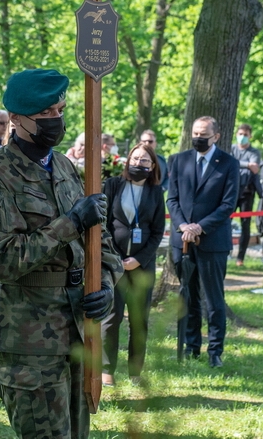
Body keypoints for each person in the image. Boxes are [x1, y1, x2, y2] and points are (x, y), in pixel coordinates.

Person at [0, 68, 122, 438]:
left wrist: (106, 285)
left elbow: (105, 245)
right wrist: (69, 223)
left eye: (61, 110)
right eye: (46, 115)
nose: (57, 120)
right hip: (29, 337)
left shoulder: (65, 167)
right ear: (17, 120)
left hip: (78, 329)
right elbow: (3, 260)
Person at [167, 116, 238, 367]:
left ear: (216, 136)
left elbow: (228, 204)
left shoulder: (228, 164)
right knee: (188, 296)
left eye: (203, 135)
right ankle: (191, 345)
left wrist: (200, 227)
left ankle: (215, 350)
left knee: (213, 298)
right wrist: (184, 226)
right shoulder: (179, 160)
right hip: (182, 240)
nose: (198, 138)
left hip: (213, 242)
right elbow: (172, 199)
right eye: (195, 133)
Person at [101, 142, 165, 386]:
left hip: (142, 267)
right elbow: (104, 223)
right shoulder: (114, 185)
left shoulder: (156, 192)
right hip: (113, 265)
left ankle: (135, 371)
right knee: (111, 317)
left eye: (145, 161)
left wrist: (139, 260)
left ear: (152, 166)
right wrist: (115, 258)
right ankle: (107, 369)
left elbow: (158, 231)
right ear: (128, 161)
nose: (139, 163)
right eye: (136, 159)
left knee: (139, 320)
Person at [232, 124, 263, 265]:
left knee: (245, 225)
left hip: (247, 193)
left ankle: (240, 258)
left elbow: (255, 167)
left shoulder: (254, 152)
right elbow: (230, 163)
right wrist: (247, 165)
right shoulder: (231, 148)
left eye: (245, 134)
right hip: (231, 192)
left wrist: (243, 165)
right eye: (240, 133)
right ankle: (226, 253)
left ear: (250, 136)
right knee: (225, 221)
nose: (242, 137)